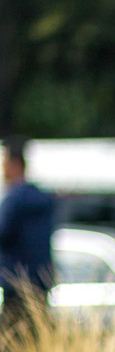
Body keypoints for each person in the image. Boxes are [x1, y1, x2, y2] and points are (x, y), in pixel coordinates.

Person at [0, 136, 54, 331]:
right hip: (41, 280)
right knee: (35, 341)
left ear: (15, 165)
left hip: (15, 283)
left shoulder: (13, 201)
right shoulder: (43, 198)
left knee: (12, 344)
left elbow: (3, 233)